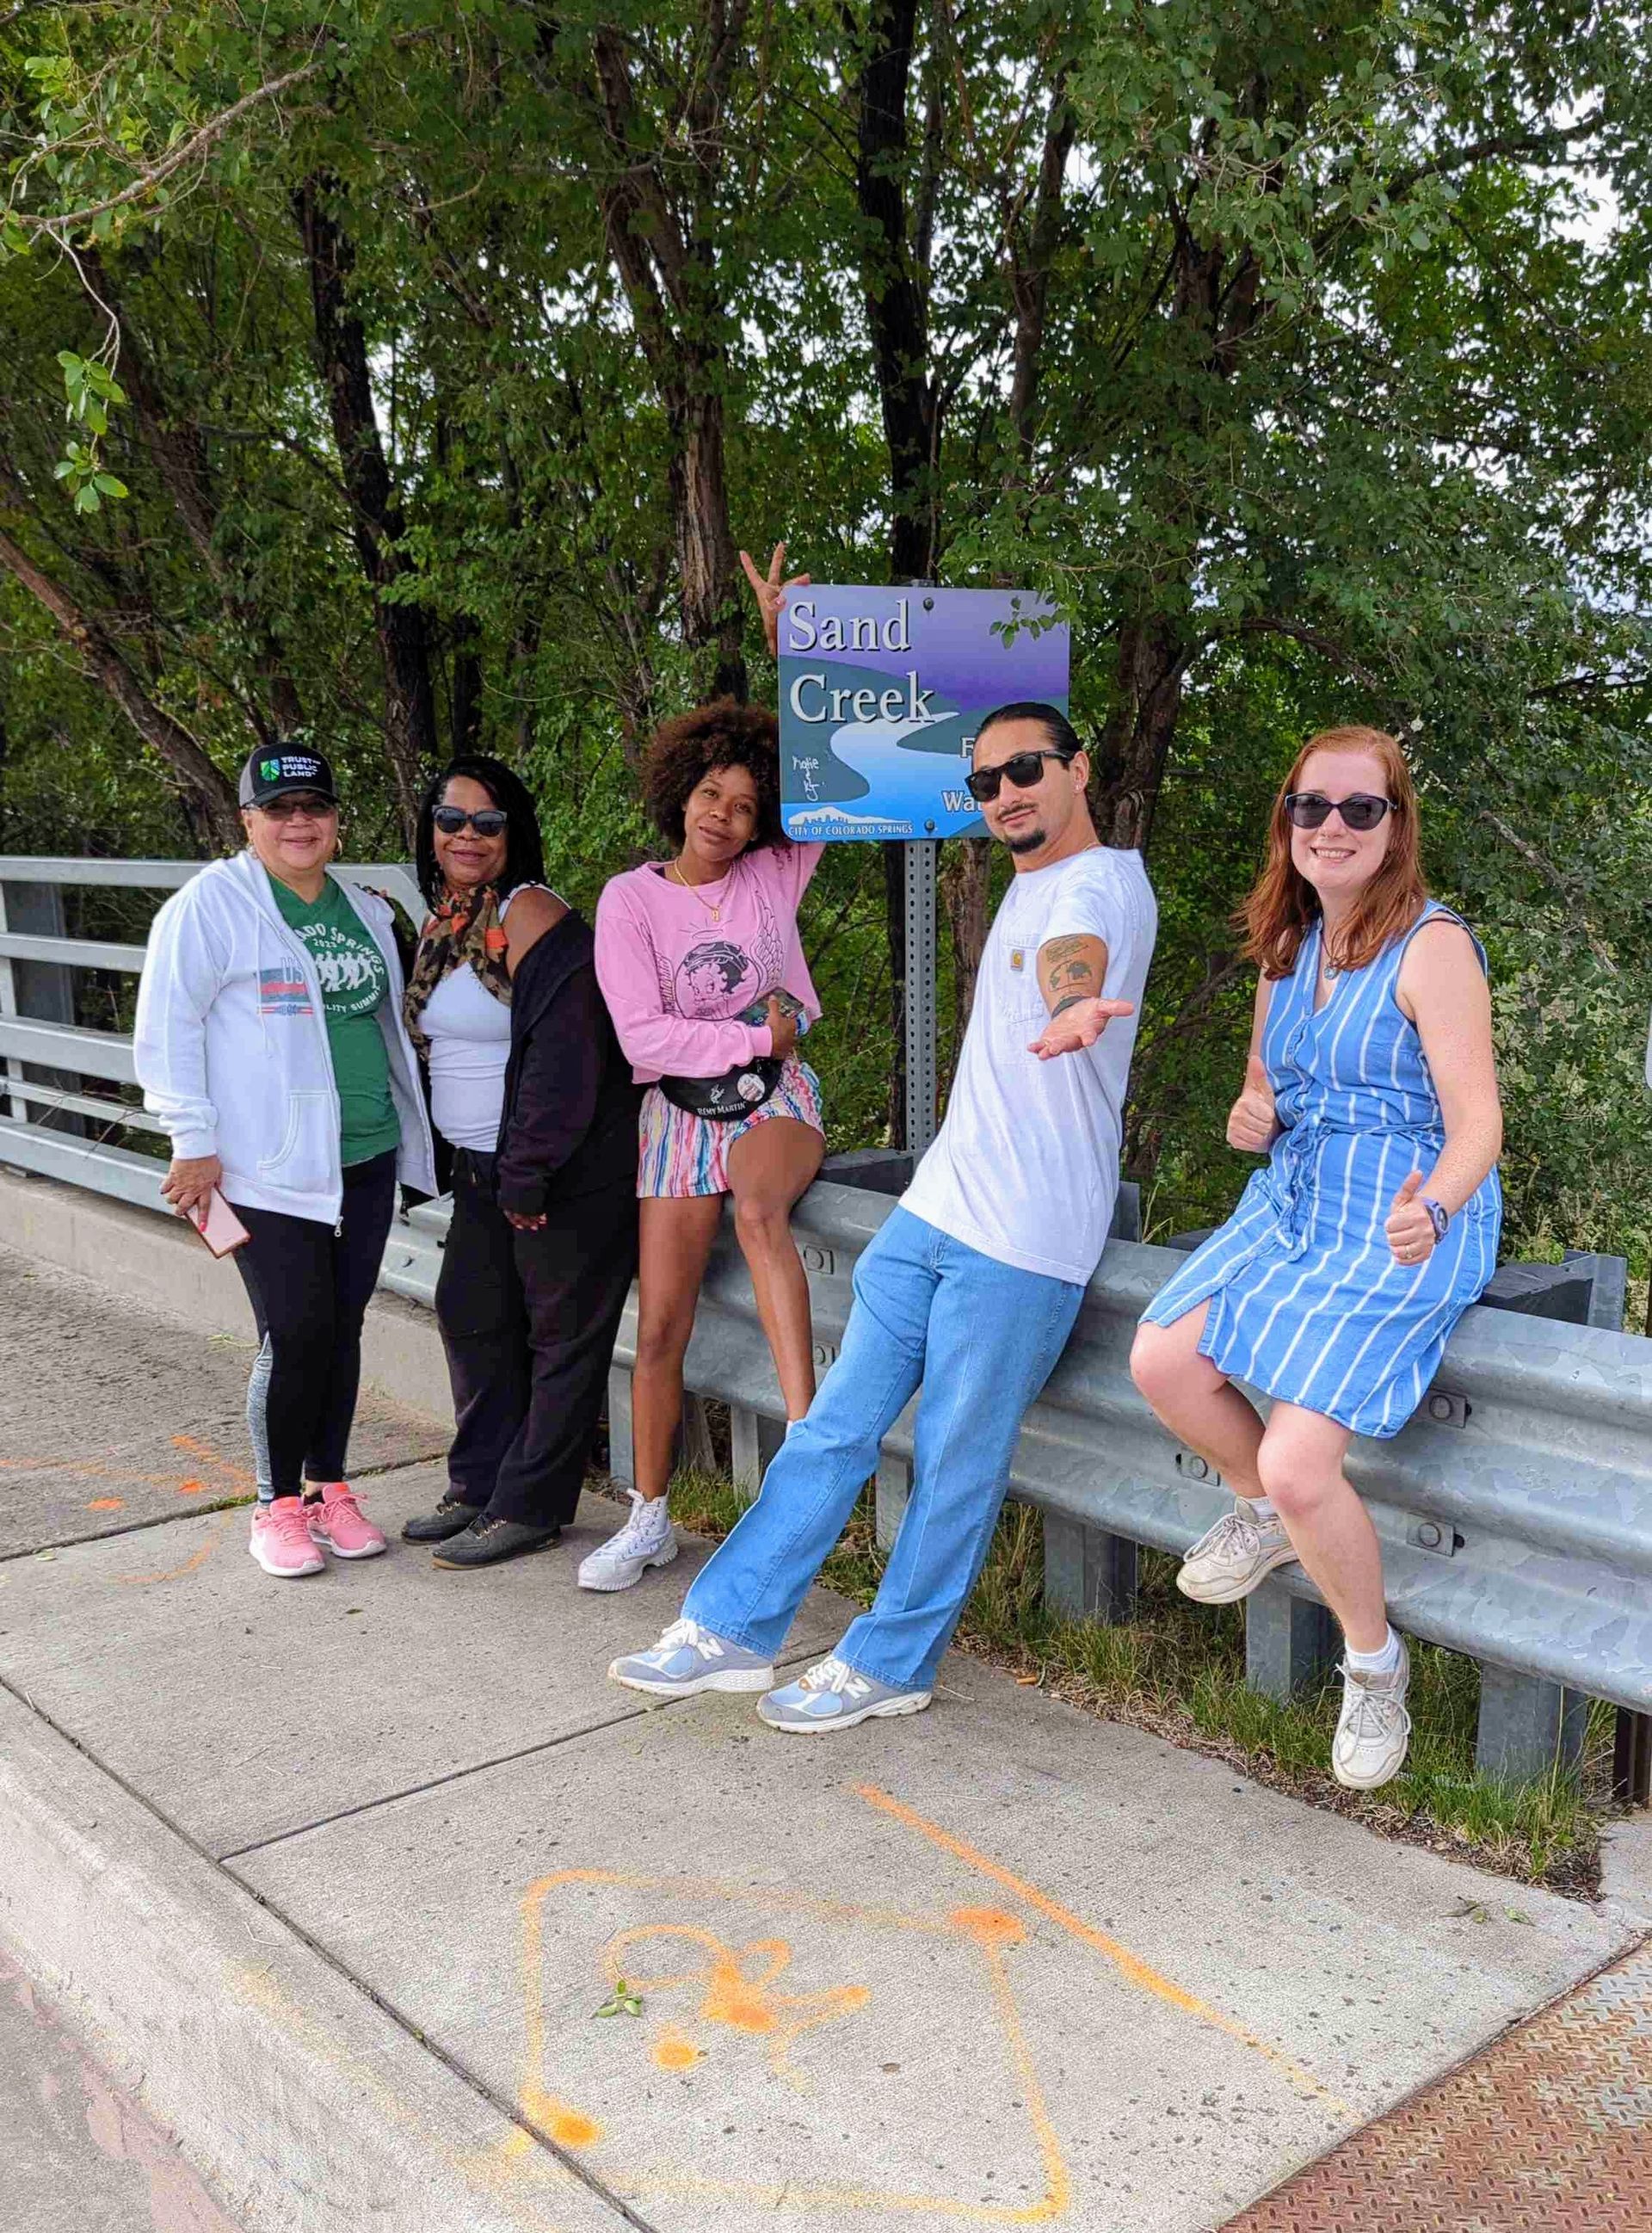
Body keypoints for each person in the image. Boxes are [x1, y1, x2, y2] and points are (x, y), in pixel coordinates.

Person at [609, 700, 1157, 1729]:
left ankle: (892, 1663)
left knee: (954, 1456)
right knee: (833, 1429)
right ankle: (731, 1628)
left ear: (1079, 768)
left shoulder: (1099, 884)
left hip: (1026, 1239)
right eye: (986, 782)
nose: (1006, 794)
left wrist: (1072, 1003)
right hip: (936, 1210)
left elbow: (1071, 955)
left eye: (1026, 770)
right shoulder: (1030, 881)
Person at [1130, 725, 1503, 1792]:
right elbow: (1266, 1088)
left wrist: (1432, 1205)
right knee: (1162, 1360)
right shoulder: (1285, 945)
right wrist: (1252, 1115)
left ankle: (1375, 1669)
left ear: (1395, 828)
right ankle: (1259, 1513)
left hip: (1407, 1209)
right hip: (1296, 1197)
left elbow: (1480, 1123)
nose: (1332, 827)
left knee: (1304, 1464)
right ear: (1286, 821)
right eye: (1312, 807)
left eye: (1359, 808)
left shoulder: (1433, 946)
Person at [133, 741, 436, 1578]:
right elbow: (167, 1030)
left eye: (314, 808)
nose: (298, 823)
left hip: (364, 1156)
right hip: (261, 1166)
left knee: (342, 1330)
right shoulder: (210, 908)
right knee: (295, 1331)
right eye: (279, 810)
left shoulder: (366, 907)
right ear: (248, 822)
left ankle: (330, 1488)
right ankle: (275, 1505)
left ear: (335, 819)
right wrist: (191, 1141)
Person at [586, 549, 827, 1594]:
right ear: (682, 791)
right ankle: (650, 1517)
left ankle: (810, 1457)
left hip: (777, 1102)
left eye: (743, 803)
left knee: (760, 1210)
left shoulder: (782, 865)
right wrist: (751, 1037)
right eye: (711, 794)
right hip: (678, 1114)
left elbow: (825, 764)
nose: (723, 815)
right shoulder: (630, 901)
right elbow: (644, 1041)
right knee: (663, 1325)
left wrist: (786, 645)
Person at [398, 756, 640, 1565]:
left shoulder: (534, 915)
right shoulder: (447, 922)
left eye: (487, 822)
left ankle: (530, 1505)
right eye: (451, 818)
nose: (466, 835)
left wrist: (529, 1167)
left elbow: (569, 1055)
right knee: (473, 1317)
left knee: (557, 1337)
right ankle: (478, 1485)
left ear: (515, 831)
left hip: (557, 1168)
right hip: (480, 1166)